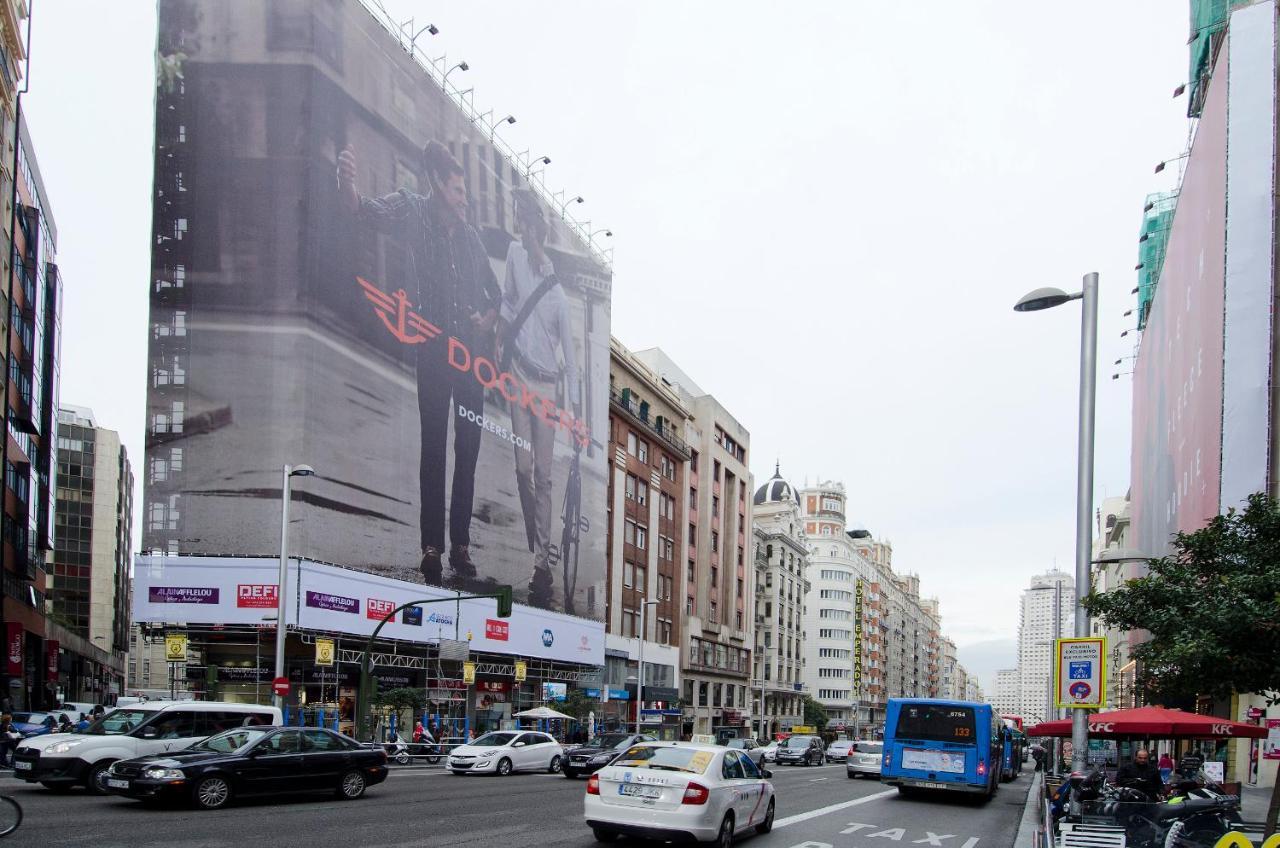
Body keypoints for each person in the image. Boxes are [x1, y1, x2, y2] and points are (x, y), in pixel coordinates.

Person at [337, 140, 500, 588]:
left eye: (465, 189)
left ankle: (461, 545)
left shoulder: (470, 237)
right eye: (457, 189)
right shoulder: (413, 210)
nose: (464, 197)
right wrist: (348, 186)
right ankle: (432, 547)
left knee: (468, 450)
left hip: (470, 360)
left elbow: (494, 298)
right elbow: (364, 211)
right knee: (434, 447)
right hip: (433, 351)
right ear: (437, 186)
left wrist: (484, 320)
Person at [497, 190, 582, 608]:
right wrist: (499, 339)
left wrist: (577, 416)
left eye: (521, 219)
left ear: (534, 227)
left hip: (546, 389)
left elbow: (573, 361)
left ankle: (540, 563)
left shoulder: (559, 298)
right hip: (518, 374)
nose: (516, 225)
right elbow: (510, 302)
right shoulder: (513, 255)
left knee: (544, 476)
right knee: (522, 465)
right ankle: (539, 546)